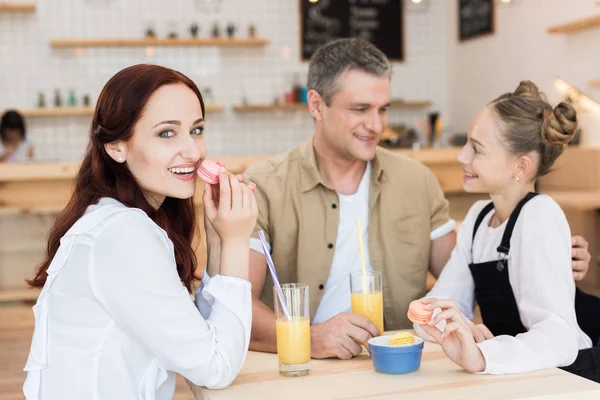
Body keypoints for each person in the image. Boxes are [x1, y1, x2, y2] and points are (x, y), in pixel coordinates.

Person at [243, 38, 591, 360]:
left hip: (398, 365)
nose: (377, 125)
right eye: (361, 108)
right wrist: (311, 337)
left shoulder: (417, 182)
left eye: (383, 109)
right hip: (303, 365)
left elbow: (462, 277)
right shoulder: (267, 186)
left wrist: (548, 255)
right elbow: (239, 308)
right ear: (316, 105)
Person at [23, 64, 258, 399]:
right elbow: (215, 366)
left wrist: (219, 235)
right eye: (166, 133)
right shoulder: (122, 235)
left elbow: (198, 334)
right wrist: (237, 242)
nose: (192, 152)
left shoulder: (118, 221)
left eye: (197, 130)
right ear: (117, 146)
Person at [417, 81, 600, 382]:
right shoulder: (477, 219)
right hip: (522, 374)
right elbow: (439, 305)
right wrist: (447, 324)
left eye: (476, 148)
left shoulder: (539, 214)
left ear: (520, 166)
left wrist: (483, 355)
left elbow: (559, 338)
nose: (462, 157)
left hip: (574, 375)